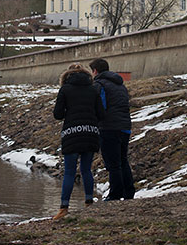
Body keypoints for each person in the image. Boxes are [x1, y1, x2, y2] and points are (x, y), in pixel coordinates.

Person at [52, 63, 104, 220]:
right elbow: (101, 114)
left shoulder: (65, 89)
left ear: (67, 75)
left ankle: (63, 208)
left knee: (69, 172)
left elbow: (58, 114)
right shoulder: (93, 89)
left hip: (71, 133)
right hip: (90, 132)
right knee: (86, 169)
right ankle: (89, 203)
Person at [89, 58, 135, 201]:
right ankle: (129, 192)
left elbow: (100, 107)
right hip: (125, 126)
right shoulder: (120, 85)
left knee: (113, 163)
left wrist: (94, 121)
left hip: (109, 128)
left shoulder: (99, 84)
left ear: (95, 71)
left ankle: (115, 194)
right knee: (123, 160)